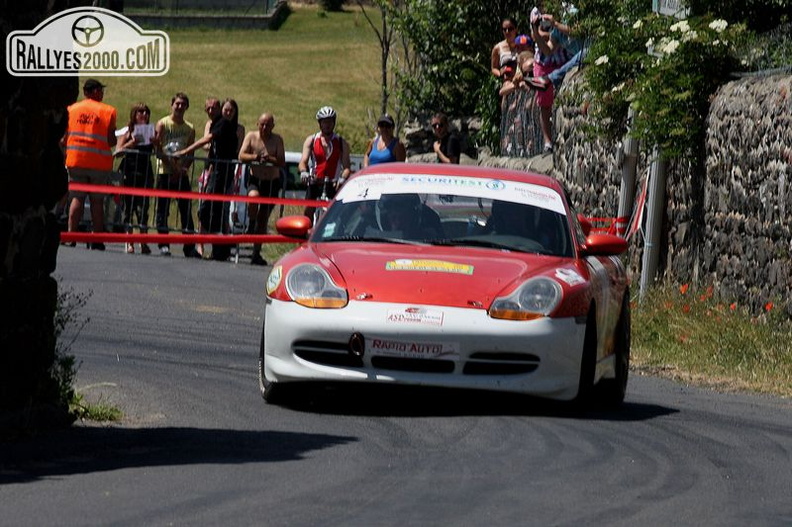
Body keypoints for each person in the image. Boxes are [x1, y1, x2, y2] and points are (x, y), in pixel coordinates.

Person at [176, 98, 240, 261]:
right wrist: (210, 169)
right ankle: (212, 248)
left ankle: (218, 248)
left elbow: (207, 140)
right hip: (216, 171)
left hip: (222, 173)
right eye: (208, 109)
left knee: (212, 209)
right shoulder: (217, 124)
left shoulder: (223, 123)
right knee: (208, 209)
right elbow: (214, 150)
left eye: (214, 108)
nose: (211, 111)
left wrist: (185, 151)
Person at [62, 78, 118, 250]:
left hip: (76, 160)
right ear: (94, 91)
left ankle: (71, 236)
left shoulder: (71, 109)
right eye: (100, 90)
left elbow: (65, 137)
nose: (102, 93)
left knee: (76, 198)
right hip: (99, 163)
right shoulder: (108, 111)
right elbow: (110, 140)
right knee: (97, 201)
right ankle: (96, 239)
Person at [153, 92, 198, 258]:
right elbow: (158, 149)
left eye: (183, 104)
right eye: (177, 104)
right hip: (164, 172)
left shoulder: (189, 128)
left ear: (186, 107)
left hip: (181, 174)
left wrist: (182, 170)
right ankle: (163, 244)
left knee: (185, 210)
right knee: (163, 210)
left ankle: (189, 246)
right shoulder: (163, 123)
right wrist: (173, 168)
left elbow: (191, 151)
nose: (179, 107)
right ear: (172, 105)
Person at [237, 112, 285, 266]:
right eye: (262, 124)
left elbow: (281, 161)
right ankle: (251, 222)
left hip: (271, 182)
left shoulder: (277, 140)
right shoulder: (251, 136)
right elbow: (241, 155)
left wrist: (269, 159)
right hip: (255, 179)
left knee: (263, 218)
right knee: (253, 198)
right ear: (258, 124)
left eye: (268, 125)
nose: (265, 127)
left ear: (273, 126)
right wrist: (255, 157)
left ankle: (256, 252)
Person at [530, 6, 573, 153]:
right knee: (544, 102)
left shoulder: (564, 8)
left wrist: (555, 27)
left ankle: (562, 137)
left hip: (563, 59)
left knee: (563, 97)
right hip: (543, 62)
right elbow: (544, 46)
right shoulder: (536, 12)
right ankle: (548, 142)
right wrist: (537, 32)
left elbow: (572, 29)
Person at [298, 106, 352, 220]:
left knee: (336, 215)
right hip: (315, 181)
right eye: (324, 122)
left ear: (334, 123)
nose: (327, 125)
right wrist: (304, 172)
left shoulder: (341, 142)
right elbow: (303, 161)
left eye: (330, 122)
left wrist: (342, 178)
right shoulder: (312, 140)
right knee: (308, 211)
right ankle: (307, 236)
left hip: (333, 183)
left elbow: (347, 167)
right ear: (320, 123)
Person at [115, 102, 155, 255]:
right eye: (140, 112)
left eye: (146, 112)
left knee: (143, 209)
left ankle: (143, 242)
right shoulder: (128, 131)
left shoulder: (151, 131)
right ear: (134, 114)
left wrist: (156, 143)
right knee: (128, 209)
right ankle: (129, 241)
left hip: (145, 173)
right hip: (129, 172)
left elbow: (158, 152)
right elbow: (118, 152)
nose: (144, 115)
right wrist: (133, 142)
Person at [377, 193, 442, 240]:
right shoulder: (373, 236)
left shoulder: (429, 237)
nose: (398, 222)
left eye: (402, 218)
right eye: (394, 217)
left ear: (414, 218)